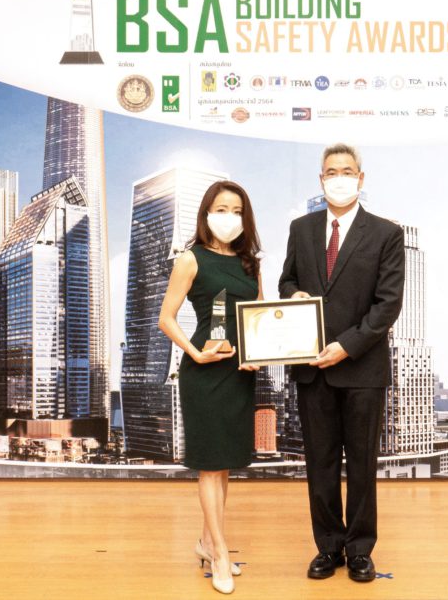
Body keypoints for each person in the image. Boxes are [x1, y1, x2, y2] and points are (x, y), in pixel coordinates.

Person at [278, 143, 405, 583]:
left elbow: (387, 305)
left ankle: (360, 549)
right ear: (321, 179)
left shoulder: (386, 233)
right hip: (311, 366)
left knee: (363, 465)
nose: (339, 178)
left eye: (346, 171)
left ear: (360, 178)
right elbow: (287, 280)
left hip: (362, 367)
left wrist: (346, 346)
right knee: (321, 464)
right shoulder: (301, 229)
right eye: (331, 171)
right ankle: (328, 547)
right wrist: (293, 294)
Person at [158, 181, 262, 595]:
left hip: (240, 373)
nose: (229, 217)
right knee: (209, 465)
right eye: (221, 209)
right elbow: (166, 318)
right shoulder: (190, 259)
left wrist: (256, 355)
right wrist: (195, 353)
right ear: (206, 214)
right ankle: (219, 552)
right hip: (204, 372)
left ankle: (205, 541)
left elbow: (258, 316)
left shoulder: (251, 264)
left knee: (224, 465)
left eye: (237, 211)